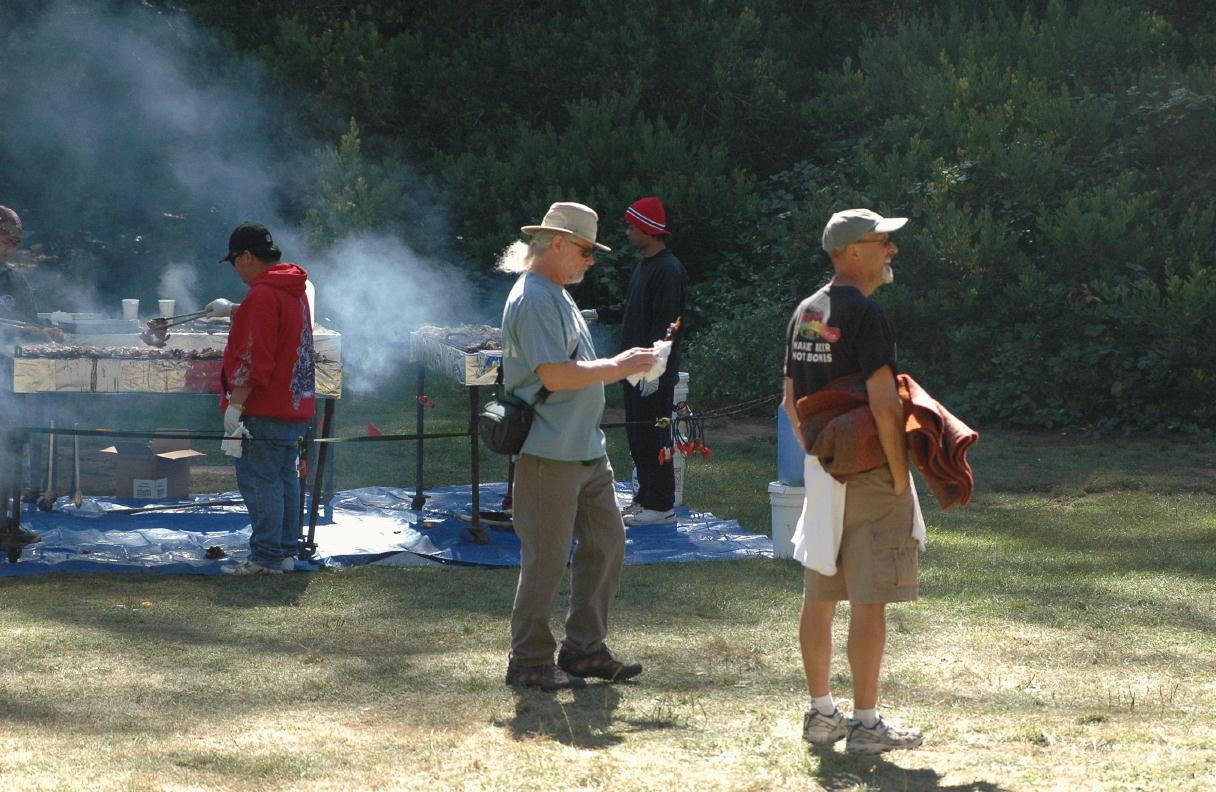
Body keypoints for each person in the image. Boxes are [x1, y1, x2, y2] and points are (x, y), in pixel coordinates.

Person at [498, 202, 659, 690]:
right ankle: (528, 662)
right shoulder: (533, 298)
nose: (592, 260)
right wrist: (622, 364)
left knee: (607, 545)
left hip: (585, 450)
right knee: (546, 561)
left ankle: (584, 651)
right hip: (550, 454)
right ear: (559, 244)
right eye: (587, 250)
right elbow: (556, 375)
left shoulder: (556, 293)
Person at [782, 208, 925, 754]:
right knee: (870, 600)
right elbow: (885, 407)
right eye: (882, 241)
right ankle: (865, 725)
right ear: (852, 251)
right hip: (867, 473)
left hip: (824, 472)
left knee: (819, 596)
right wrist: (895, 473)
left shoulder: (806, 310)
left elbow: (790, 399)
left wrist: (816, 455)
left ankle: (821, 715)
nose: (891, 249)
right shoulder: (865, 313)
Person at [214, 222, 316, 575]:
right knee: (286, 479)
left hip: (264, 406)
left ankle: (265, 558)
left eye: (234, 261)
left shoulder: (262, 294)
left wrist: (237, 404)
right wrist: (232, 311)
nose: (235, 268)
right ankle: (286, 552)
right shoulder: (292, 288)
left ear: (246, 257)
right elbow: (277, 327)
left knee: (261, 481)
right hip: (293, 405)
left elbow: (253, 358)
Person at [585, 197, 686, 525]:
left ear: (648, 230)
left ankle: (661, 506)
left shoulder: (669, 270)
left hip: (652, 372)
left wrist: (655, 370)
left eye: (631, 227)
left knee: (654, 436)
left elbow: (668, 324)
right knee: (637, 437)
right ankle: (644, 499)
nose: (627, 232)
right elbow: (633, 310)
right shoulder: (645, 264)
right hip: (633, 370)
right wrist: (598, 314)